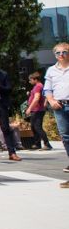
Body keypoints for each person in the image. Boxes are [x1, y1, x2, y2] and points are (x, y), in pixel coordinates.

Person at [43, 41, 69, 186]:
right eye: (58, 53)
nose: (61, 55)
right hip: (60, 106)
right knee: (65, 137)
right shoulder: (51, 70)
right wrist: (51, 100)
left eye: (64, 52)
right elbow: (47, 89)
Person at [24, 72, 51, 149]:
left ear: (35, 79)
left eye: (31, 80)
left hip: (37, 109)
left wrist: (29, 108)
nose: (30, 82)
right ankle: (37, 144)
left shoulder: (38, 87)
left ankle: (47, 144)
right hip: (38, 109)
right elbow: (44, 96)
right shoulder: (40, 86)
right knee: (33, 126)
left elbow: (36, 98)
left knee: (37, 127)